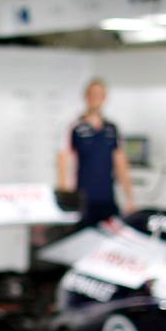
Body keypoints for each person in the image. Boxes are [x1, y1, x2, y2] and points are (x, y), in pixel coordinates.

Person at [56, 78, 136, 226]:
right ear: (86, 97)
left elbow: (121, 164)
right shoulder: (74, 127)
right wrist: (65, 197)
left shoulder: (112, 128)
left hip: (107, 198)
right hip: (83, 199)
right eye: (92, 94)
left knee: (111, 237)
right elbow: (63, 161)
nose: (96, 98)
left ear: (105, 98)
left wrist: (130, 198)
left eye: (100, 95)